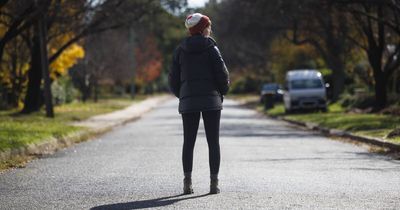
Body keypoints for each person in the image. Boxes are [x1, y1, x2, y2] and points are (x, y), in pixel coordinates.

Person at [168, 13, 230, 194]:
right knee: (213, 142)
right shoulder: (212, 48)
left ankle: (187, 183)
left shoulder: (180, 50)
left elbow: (173, 79)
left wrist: (182, 95)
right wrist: (222, 92)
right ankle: (214, 184)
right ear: (203, 29)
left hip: (188, 102)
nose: (210, 29)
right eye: (208, 26)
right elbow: (222, 74)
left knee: (188, 142)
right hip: (211, 101)